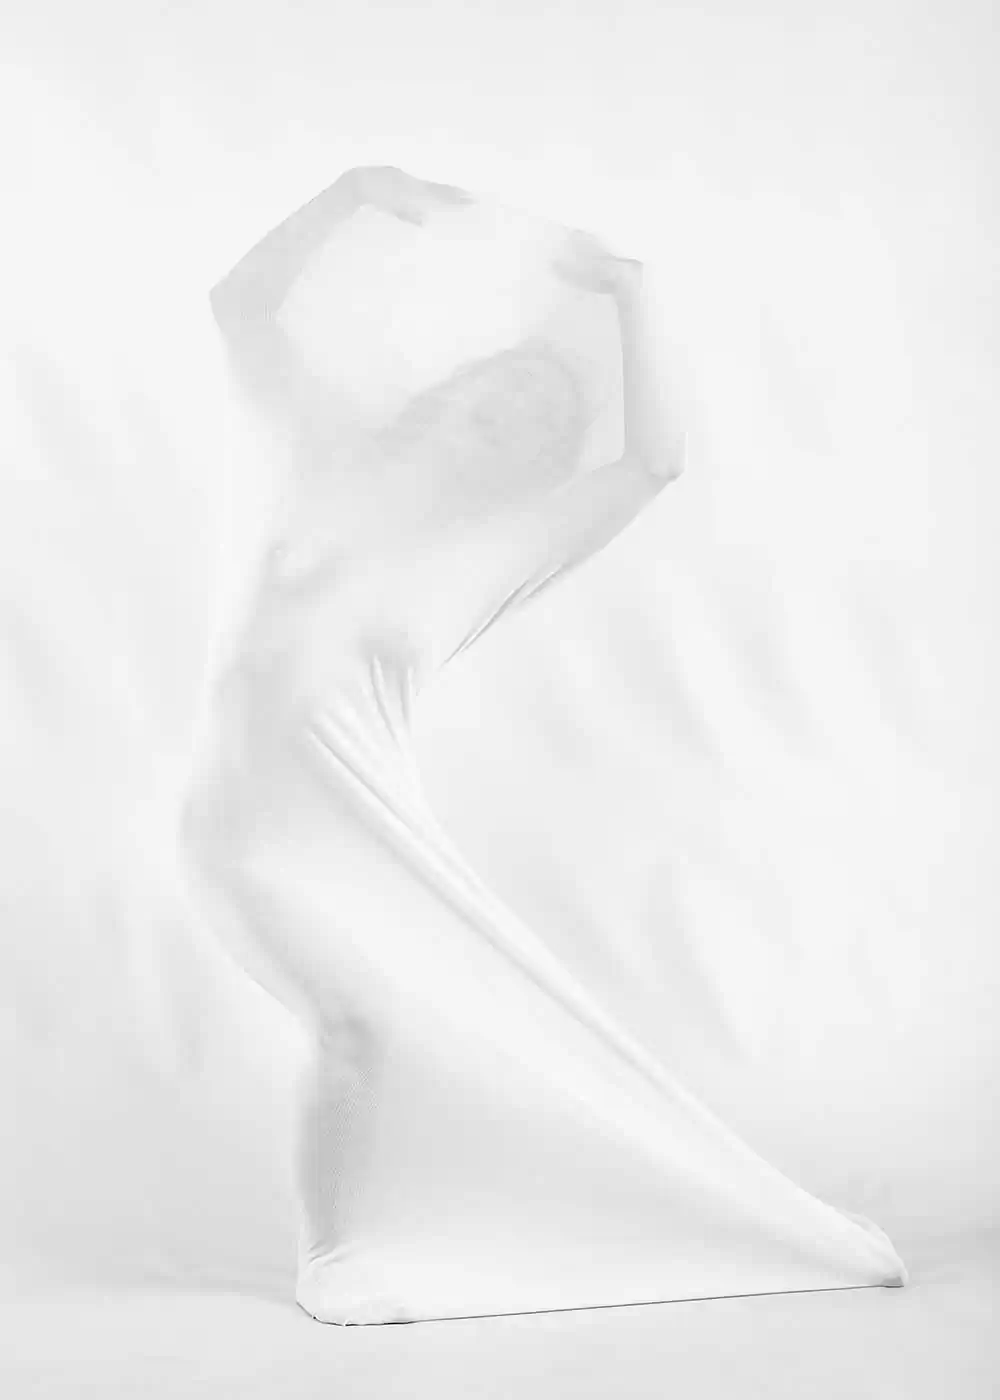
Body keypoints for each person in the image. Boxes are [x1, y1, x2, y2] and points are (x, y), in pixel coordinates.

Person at [178, 166, 904, 1325]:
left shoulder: (489, 549)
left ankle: (349, 1252)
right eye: (503, 387)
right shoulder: (312, 449)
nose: (510, 413)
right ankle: (352, 1249)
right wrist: (352, 193)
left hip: (363, 830)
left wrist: (632, 290)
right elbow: (240, 306)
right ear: (450, 388)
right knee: (367, 1018)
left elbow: (652, 462)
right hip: (244, 823)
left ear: (526, 462)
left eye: (537, 421)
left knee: (375, 1027)